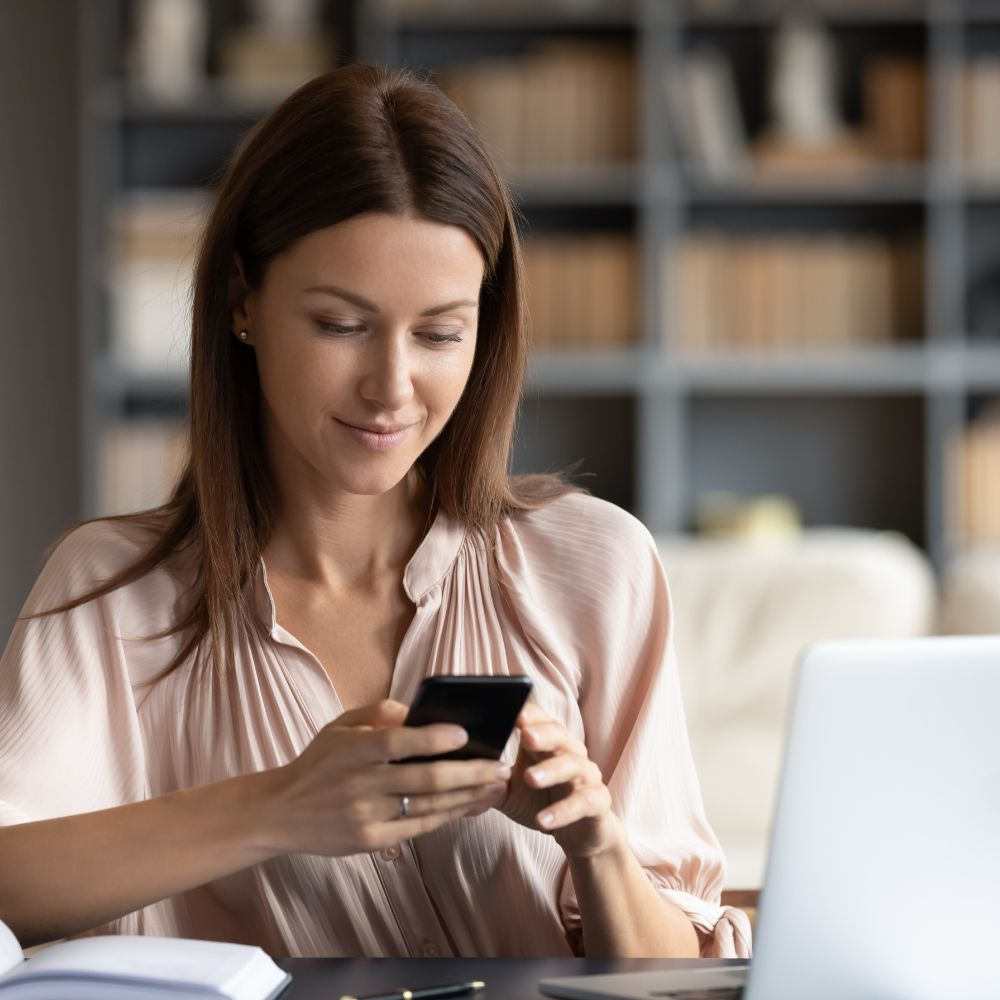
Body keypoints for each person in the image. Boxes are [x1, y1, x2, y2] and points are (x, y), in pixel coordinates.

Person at [0, 65, 751, 960]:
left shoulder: (595, 563)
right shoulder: (112, 591)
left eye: (440, 333)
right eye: (341, 325)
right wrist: (280, 806)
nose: (393, 389)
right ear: (243, 301)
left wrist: (597, 841)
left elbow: (676, 972)